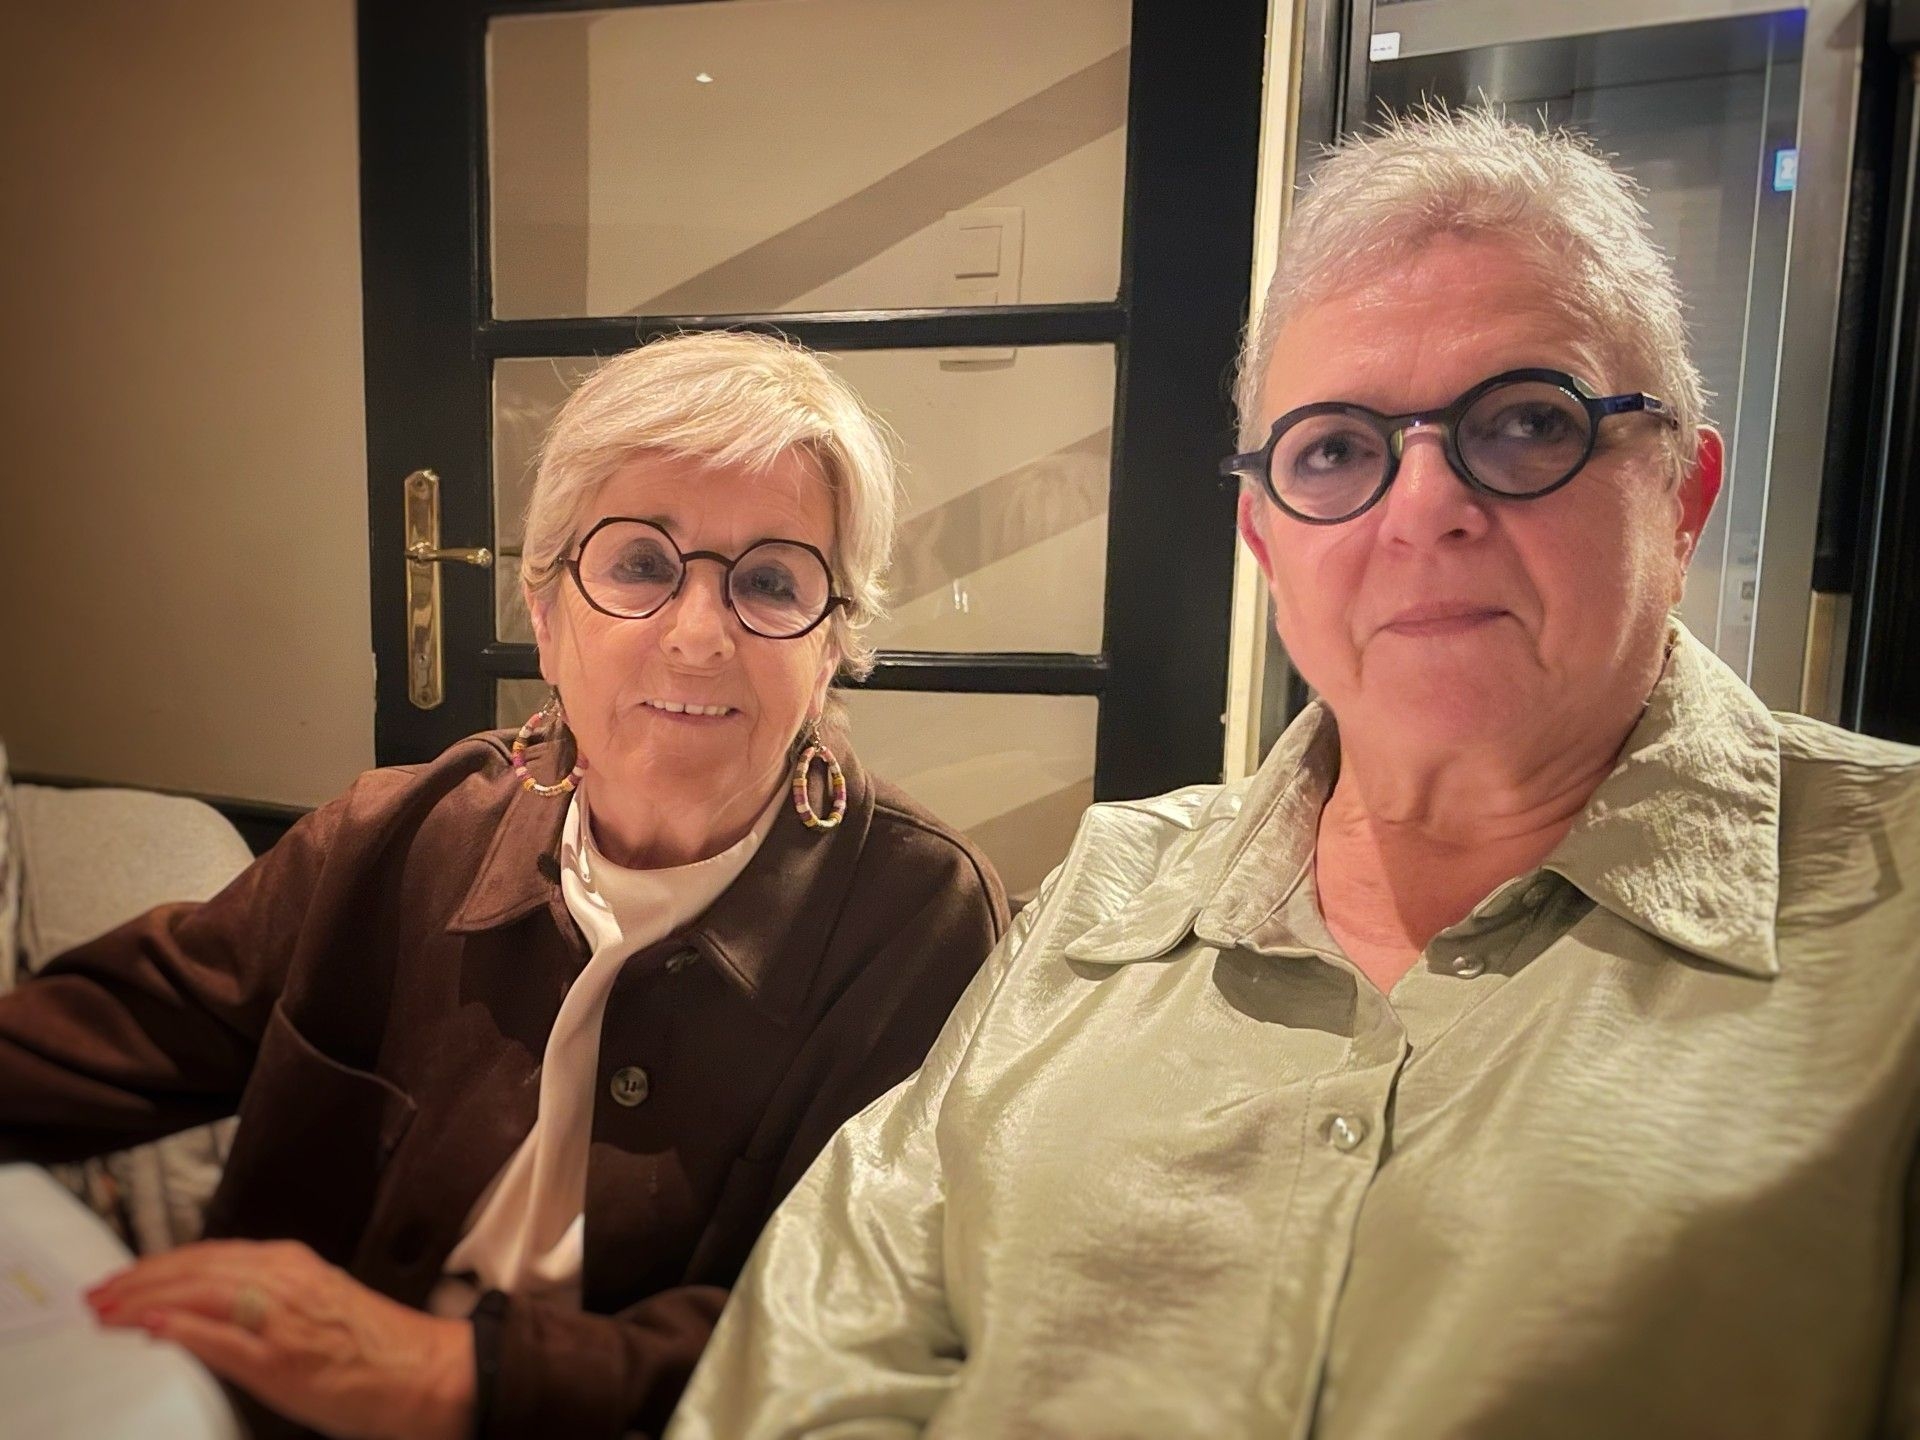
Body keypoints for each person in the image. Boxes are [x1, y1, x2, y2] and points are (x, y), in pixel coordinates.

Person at [669, 112, 1920, 1439]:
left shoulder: (1887, 933)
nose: (1422, 506)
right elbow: (823, 1351)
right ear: (1266, 542)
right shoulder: (1109, 886)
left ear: (1680, 496)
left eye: (1526, 424)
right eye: (1336, 450)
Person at [0, 331, 1007, 1440]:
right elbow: (100, 1036)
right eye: (640, 565)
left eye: (771, 582)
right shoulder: (396, 835)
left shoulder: (924, 921)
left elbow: (875, 1319)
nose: (697, 637)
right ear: (545, 615)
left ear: (830, 651)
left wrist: (460, 1377)